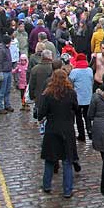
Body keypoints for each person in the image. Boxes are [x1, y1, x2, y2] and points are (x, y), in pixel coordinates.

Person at [38, 70, 78, 198]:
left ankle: (47, 185)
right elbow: (76, 109)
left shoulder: (48, 94)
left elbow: (41, 114)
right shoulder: (71, 93)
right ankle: (67, 190)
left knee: (50, 159)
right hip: (67, 130)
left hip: (52, 129)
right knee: (67, 161)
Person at [69, 53, 94, 141]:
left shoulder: (74, 72)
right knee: (87, 116)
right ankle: (90, 131)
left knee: (78, 117)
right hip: (88, 98)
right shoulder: (90, 70)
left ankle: (81, 135)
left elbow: (70, 84)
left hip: (78, 99)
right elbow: (92, 82)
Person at [28, 49, 54, 120]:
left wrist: (32, 96)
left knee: (40, 118)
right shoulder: (53, 68)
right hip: (52, 98)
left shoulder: (35, 69)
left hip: (39, 98)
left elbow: (31, 85)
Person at [0, 35, 14, 115]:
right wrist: (0, 72)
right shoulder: (1, 50)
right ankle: (0, 107)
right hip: (4, 72)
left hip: (8, 71)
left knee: (7, 90)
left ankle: (7, 104)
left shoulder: (6, 48)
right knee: (2, 90)